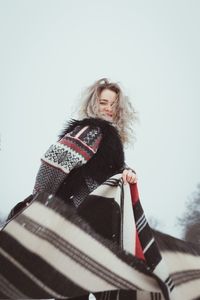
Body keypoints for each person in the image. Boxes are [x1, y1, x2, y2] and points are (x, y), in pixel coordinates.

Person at [5, 78, 138, 299]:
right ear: (93, 104)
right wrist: (41, 202)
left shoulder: (107, 137)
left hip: (86, 227)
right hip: (76, 221)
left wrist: (127, 171)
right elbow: (53, 161)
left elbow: (108, 170)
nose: (109, 109)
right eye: (104, 102)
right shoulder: (93, 130)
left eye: (114, 104)